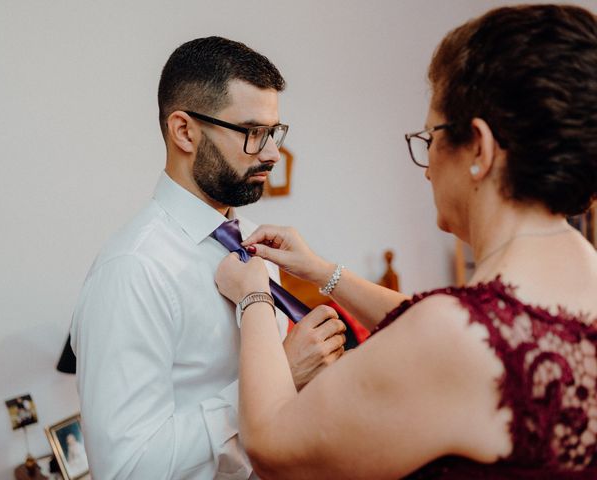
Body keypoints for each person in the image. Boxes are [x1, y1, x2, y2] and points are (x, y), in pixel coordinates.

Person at [215, 4, 597, 478]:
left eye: (430, 135)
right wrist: (321, 272)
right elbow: (432, 318)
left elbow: (272, 444)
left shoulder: (451, 335)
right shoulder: (578, 274)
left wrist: (254, 296)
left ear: (478, 148)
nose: (428, 164)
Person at [69, 36, 346, 479]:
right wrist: (278, 379)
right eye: (253, 133)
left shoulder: (255, 245)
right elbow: (126, 469)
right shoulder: (132, 271)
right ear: (184, 131)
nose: (273, 153)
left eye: (273, 132)